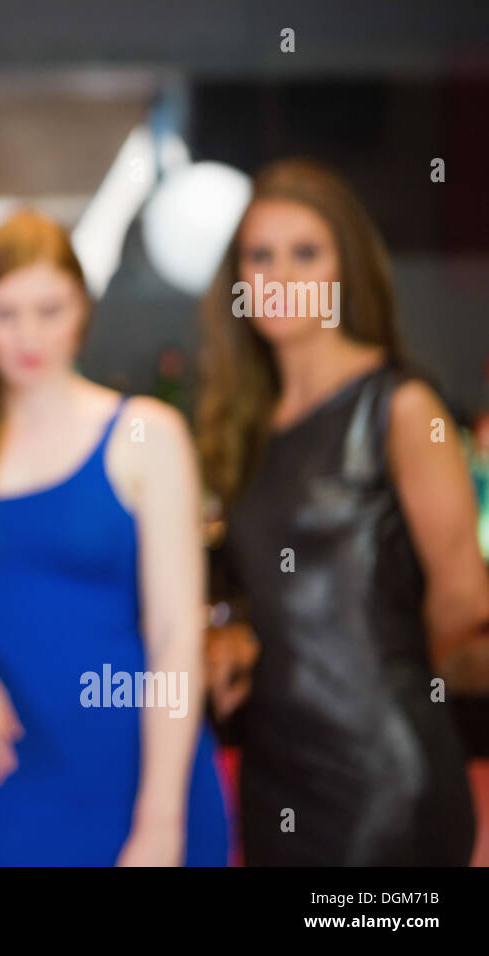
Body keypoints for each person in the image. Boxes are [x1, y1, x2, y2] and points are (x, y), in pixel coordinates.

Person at [0, 209, 230, 865]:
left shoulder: (146, 434)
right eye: (4, 313)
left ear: (83, 308)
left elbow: (176, 636)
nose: (29, 335)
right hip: (8, 781)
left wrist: (160, 824)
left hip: (142, 776)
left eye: (50, 310)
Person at [198, 158, 489, 865]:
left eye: (306, 253)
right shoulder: (245, 424)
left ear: (344, 271)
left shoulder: (399, 407)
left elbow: (463, 601)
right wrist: (234, 637)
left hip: (384, 770)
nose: (280, 277)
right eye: (260, 256)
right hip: (276, 774)